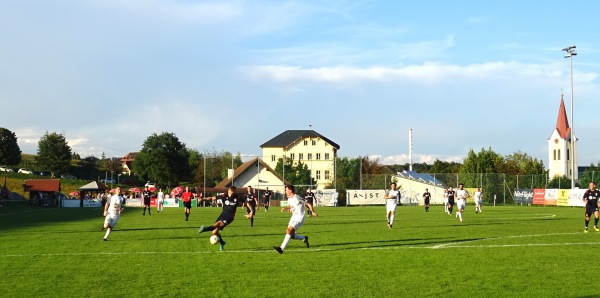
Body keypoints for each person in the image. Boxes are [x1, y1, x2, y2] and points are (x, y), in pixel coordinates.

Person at [199, 186, 241, 251]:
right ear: (228, 190)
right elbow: (212, 198)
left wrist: (251, 211)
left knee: (218, 223)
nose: (232, 194)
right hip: (222, 215)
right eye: (231, 193)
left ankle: (205, 229)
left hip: (230, 217)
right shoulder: (224, 196)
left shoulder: (238, 197)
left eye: (233, 193)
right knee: (214, 232)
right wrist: (203, 199)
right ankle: (222, 243)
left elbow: (247, 202)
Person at [273, 184, 310, 254]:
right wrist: (287, 208)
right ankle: (304, 238)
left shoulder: (297, 197)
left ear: (290, 190)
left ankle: (281, 248)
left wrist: (313, 211)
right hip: (293, 217)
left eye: (286, 190)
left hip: (299, 217)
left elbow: (307, 203)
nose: (285, 191)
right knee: (291, 235)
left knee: (288, 231)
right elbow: (290, 206)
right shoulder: (289, 198)